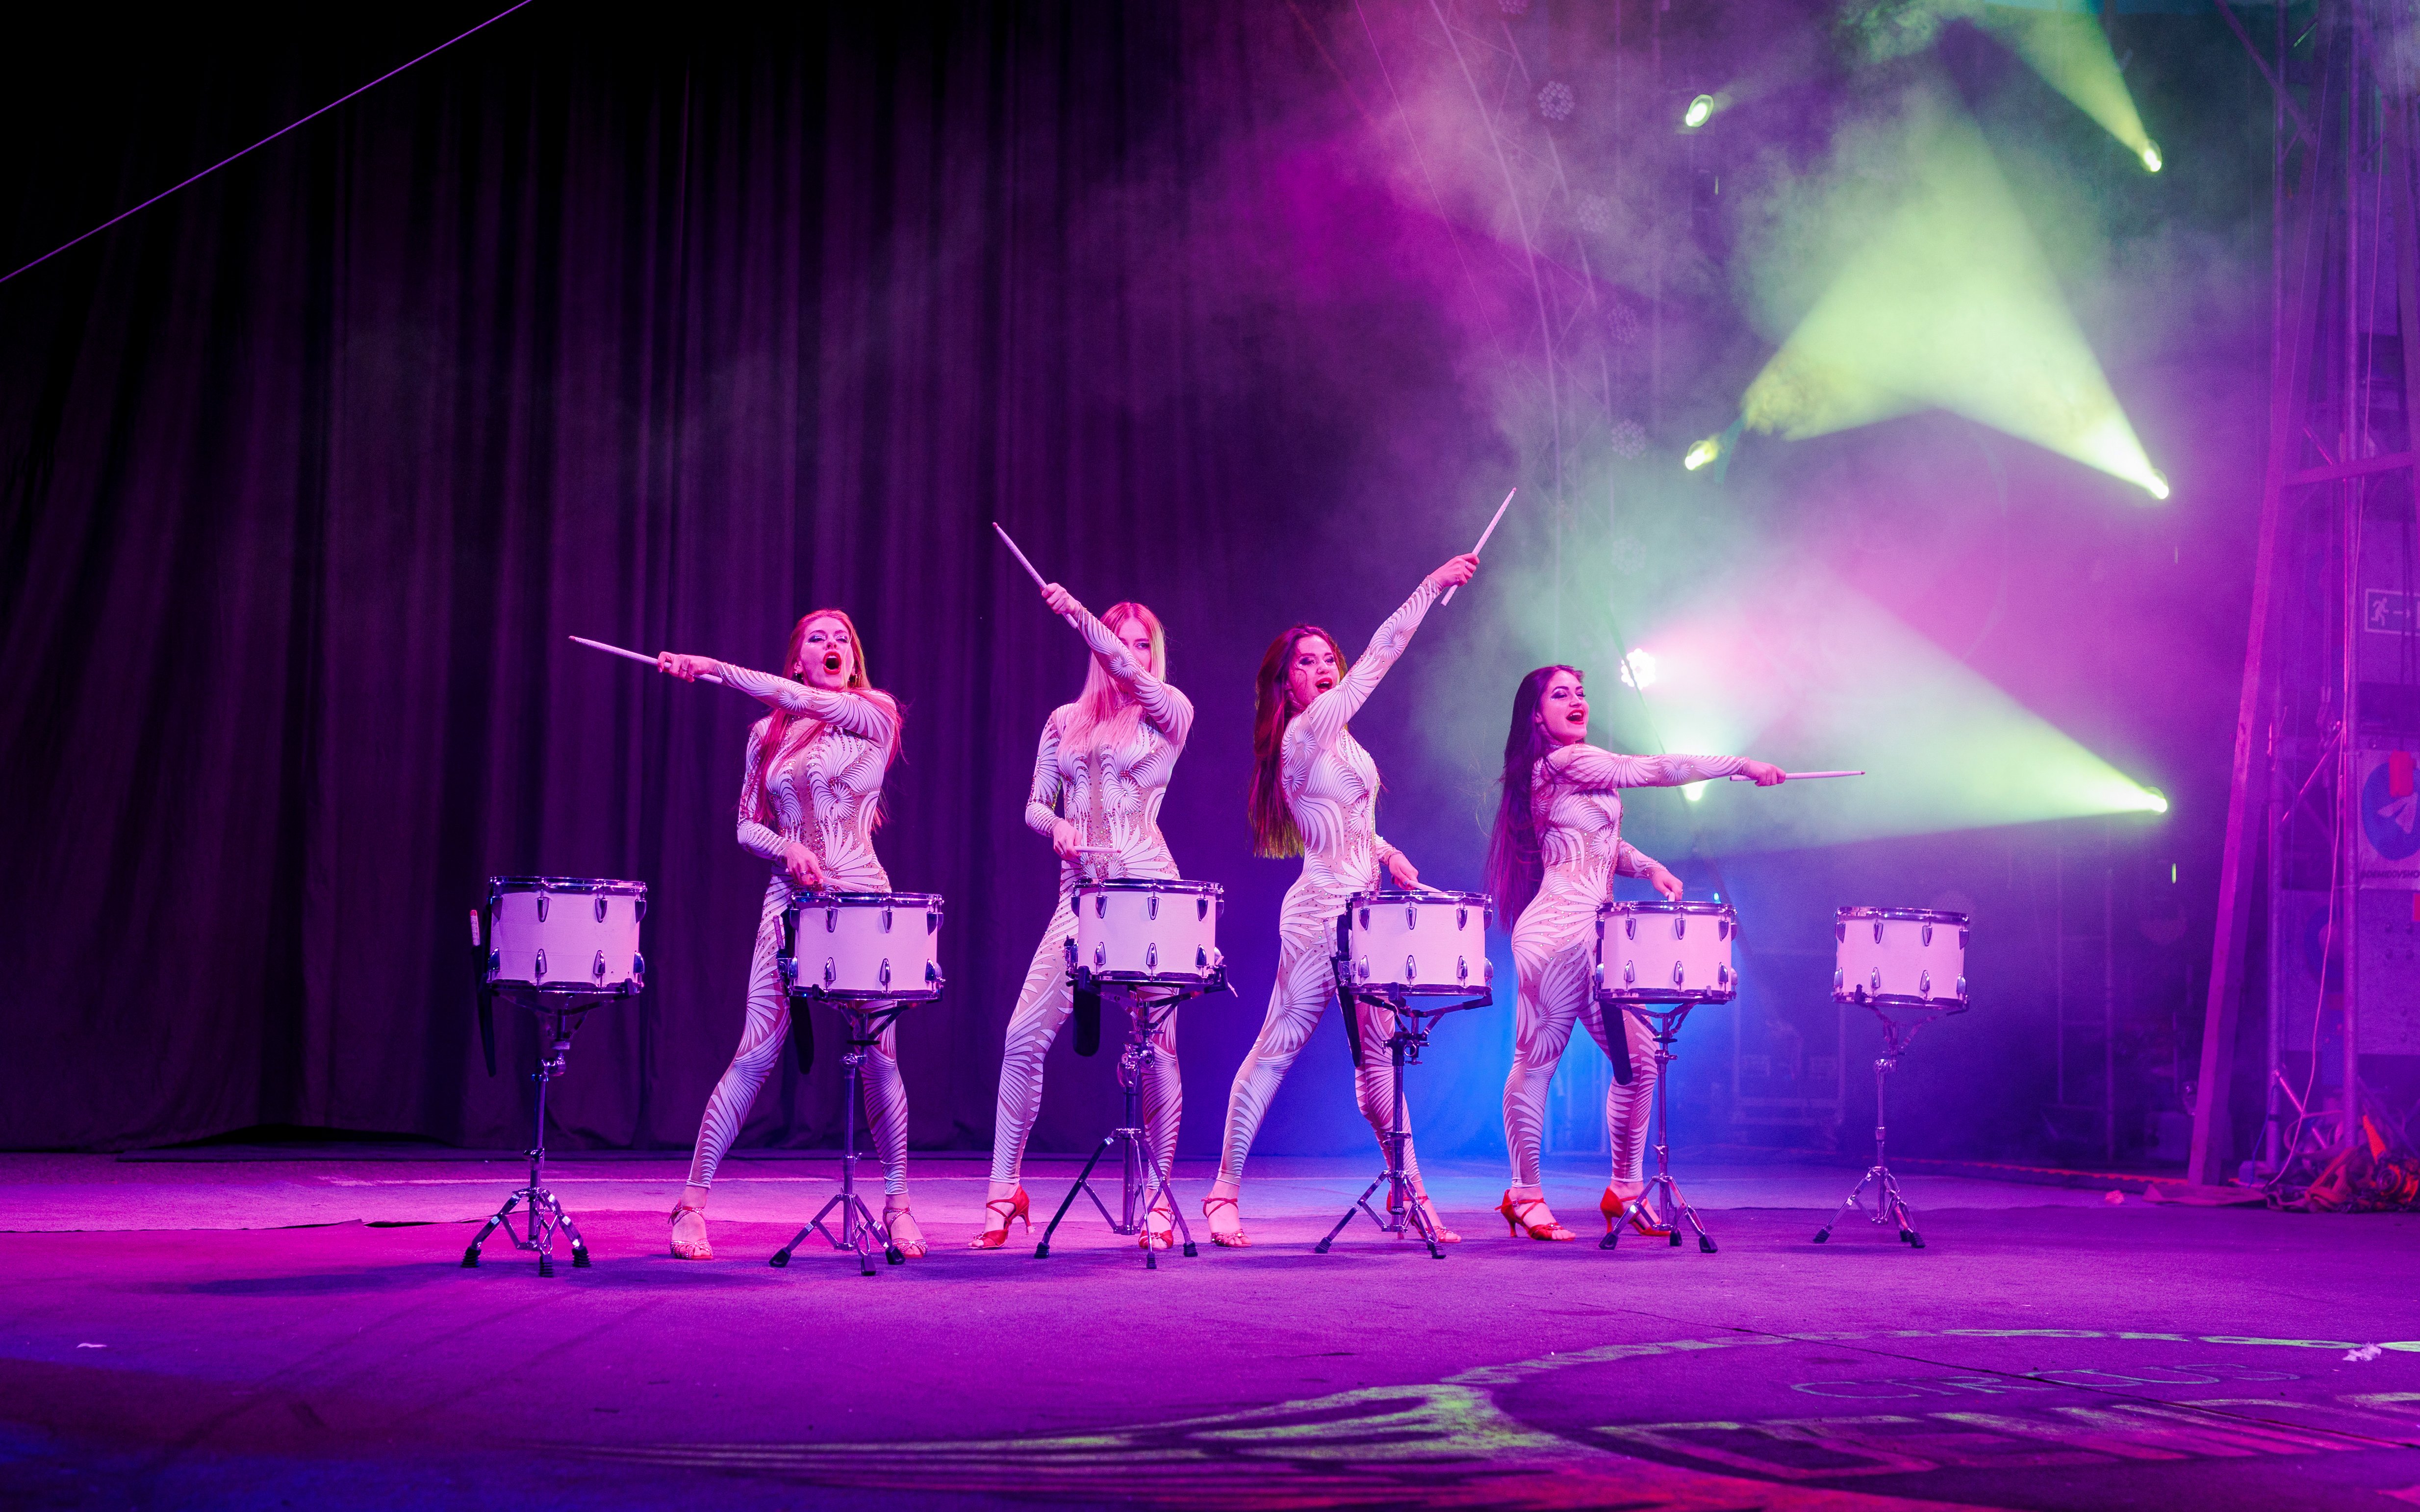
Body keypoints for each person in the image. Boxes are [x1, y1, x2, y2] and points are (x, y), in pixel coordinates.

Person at [1200, 552, 1481, 1248]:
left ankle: (1406, 1190)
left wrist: (1388, 854)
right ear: (1284, 683)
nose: (1321, 667)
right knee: (1277, 1046)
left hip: (1367, 910)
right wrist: (1428, 586)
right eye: (1305, 661)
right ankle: (1221, 1193)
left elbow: (1354, 826)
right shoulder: (1303, 733)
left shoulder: (1344, 745)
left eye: (1327, 657)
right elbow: (1380, 660)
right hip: (1319, 913)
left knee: (1379, 1062)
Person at [658, 611, 925, 1259]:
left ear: (851, 657)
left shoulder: (873, 710)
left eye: (842, 638)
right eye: (817, 638)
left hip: (862, 895)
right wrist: (787, 850)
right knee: (754, 1052)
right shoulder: (765, 733)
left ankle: (896, 1207)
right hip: (790, 899)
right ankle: (689, 1206)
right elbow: (747, 826)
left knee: (881, 1056)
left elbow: (806, 701)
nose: (831, 645)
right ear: (796, 657)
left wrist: (713, 668)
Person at [1485, 663, 1783, 1241]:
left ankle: (1625, 1190)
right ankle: (1522, 1193)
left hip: (1599, 934)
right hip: (1556, 930)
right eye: (1561, 695)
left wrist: (1650, 867)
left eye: (1581, 694)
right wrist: (1741, 765)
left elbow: (1600, 840)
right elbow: (1654, 768)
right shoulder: (1565, 761)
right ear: (1535, 715)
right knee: (1537, 1060)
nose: (1578, 702)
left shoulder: (1573, 771)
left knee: (1641, 1059)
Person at [975, 582, 1195, 1249]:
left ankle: (1158, 1197)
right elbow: (1035, 803)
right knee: (1021, 1037)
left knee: (1157, 1049)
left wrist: (1078, 615)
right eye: (1118, 642)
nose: (1128, 655)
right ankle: (1002, 1188)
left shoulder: (1169, 712)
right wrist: (1056, 830)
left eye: (1141, 646)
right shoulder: (1062, 720)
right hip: (1079, 898)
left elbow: (1133, 677)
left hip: (1150, 893)